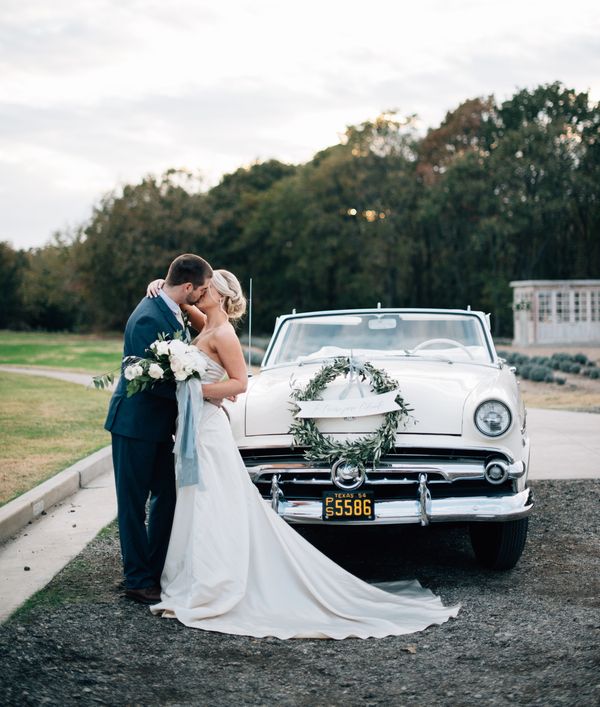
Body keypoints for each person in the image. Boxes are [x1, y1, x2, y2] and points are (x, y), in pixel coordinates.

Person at [145, 269, 460, 639]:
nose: (198, 290)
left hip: (209, 426)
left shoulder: (225, 332)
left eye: (205, 287)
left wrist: (197, 389)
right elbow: (186, 307)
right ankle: (194, 574)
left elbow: (240, 383)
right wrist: (158, 286)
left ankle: (216, 581)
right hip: (196, 425)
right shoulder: (208, 324)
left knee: (214, 498)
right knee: (199, 496)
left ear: (217, 294)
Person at [105, 253, 212, 604]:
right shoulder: (148, 318)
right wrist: (197, 394)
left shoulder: (170, 307)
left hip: (157, 427)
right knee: (133, 504)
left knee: (167, 495)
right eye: (202, 289)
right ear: (187, 287)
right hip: (134, 425)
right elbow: (147, 379)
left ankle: (154, 568)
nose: (203, 294)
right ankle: (137, 579)